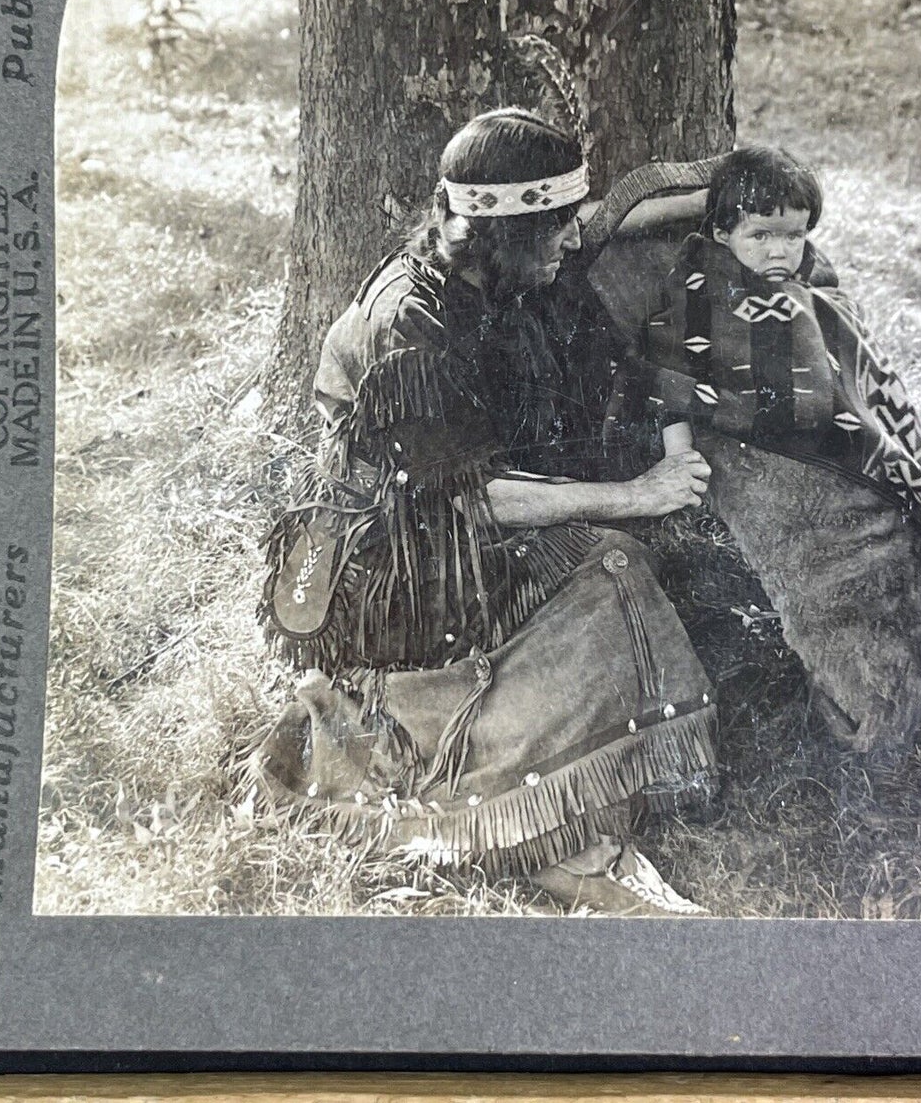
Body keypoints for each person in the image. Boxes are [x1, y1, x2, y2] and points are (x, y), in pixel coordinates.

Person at [251, 107, 719, 915]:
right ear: (502, 231)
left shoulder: (501, 274)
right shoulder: (409, 331)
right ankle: (518, 807)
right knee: (613, 575)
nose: (574, 241)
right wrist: (637, 495)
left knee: (636, 563)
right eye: (558, 228)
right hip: (399, 569)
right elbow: (474, 497)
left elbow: (609, 321)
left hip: (449, 528)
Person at [609, 146, 921, 753]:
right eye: (761, 235)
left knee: (906, 549)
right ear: (721, 231)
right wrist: (680, 457)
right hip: (767, 455)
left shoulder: (812, 287)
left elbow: (855, 371)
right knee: (838, 576)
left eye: (794, 235)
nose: (779, 252)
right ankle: (874, 704)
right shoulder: (696, 294)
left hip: (852, 447)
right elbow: (669, 379)